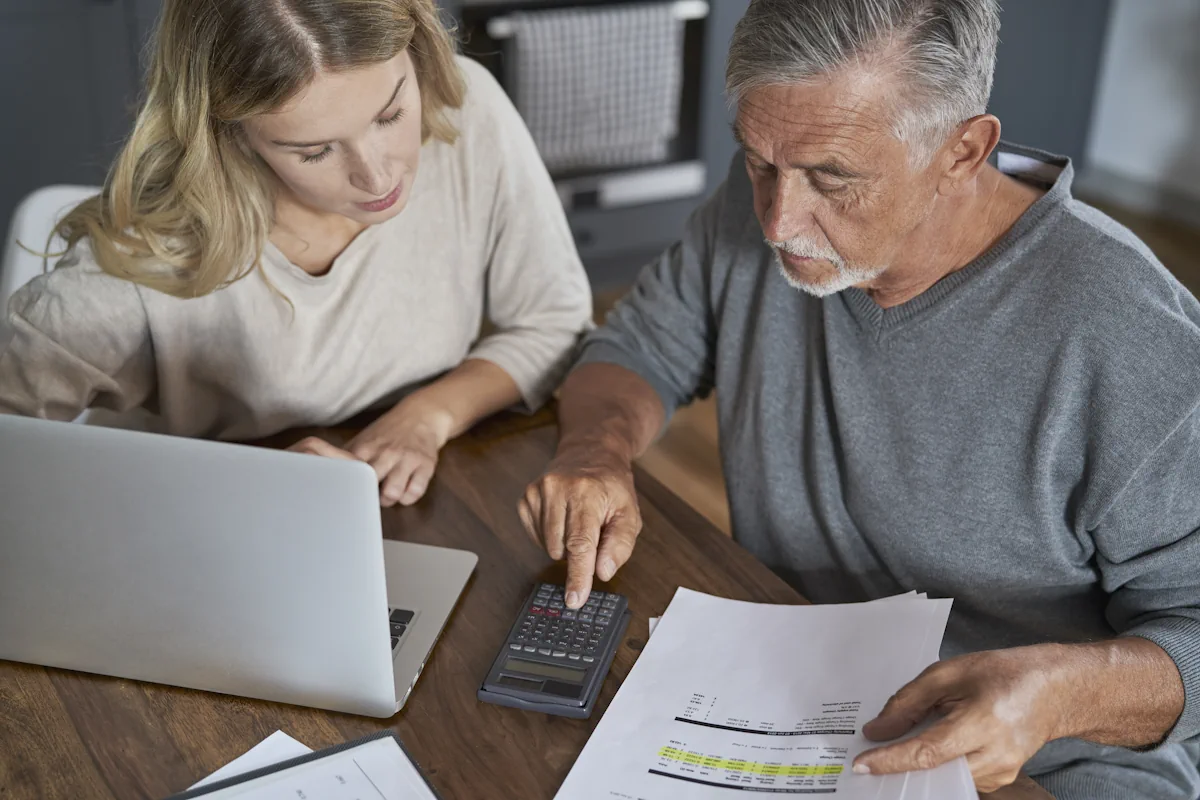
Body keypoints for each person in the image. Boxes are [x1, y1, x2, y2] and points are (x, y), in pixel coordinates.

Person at [519, 0, 1200, 797]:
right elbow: (635, 350)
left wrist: (1055, 699)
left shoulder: (1134, 338)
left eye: (832, 179)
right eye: (759, 162)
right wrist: (594, 451)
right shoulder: (757, 209)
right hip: (789, 706)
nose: (778, 220)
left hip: (1040, 766)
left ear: (962, 150)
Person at [0, 0, 592, 508]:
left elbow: (554, 321)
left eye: (389, 114)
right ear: (228, 135)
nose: (377, 174)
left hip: (408, 512)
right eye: (314, 151)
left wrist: (426, 418)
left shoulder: (467, 111)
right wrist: (247, 485)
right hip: (187, 545)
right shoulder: (138, 273)